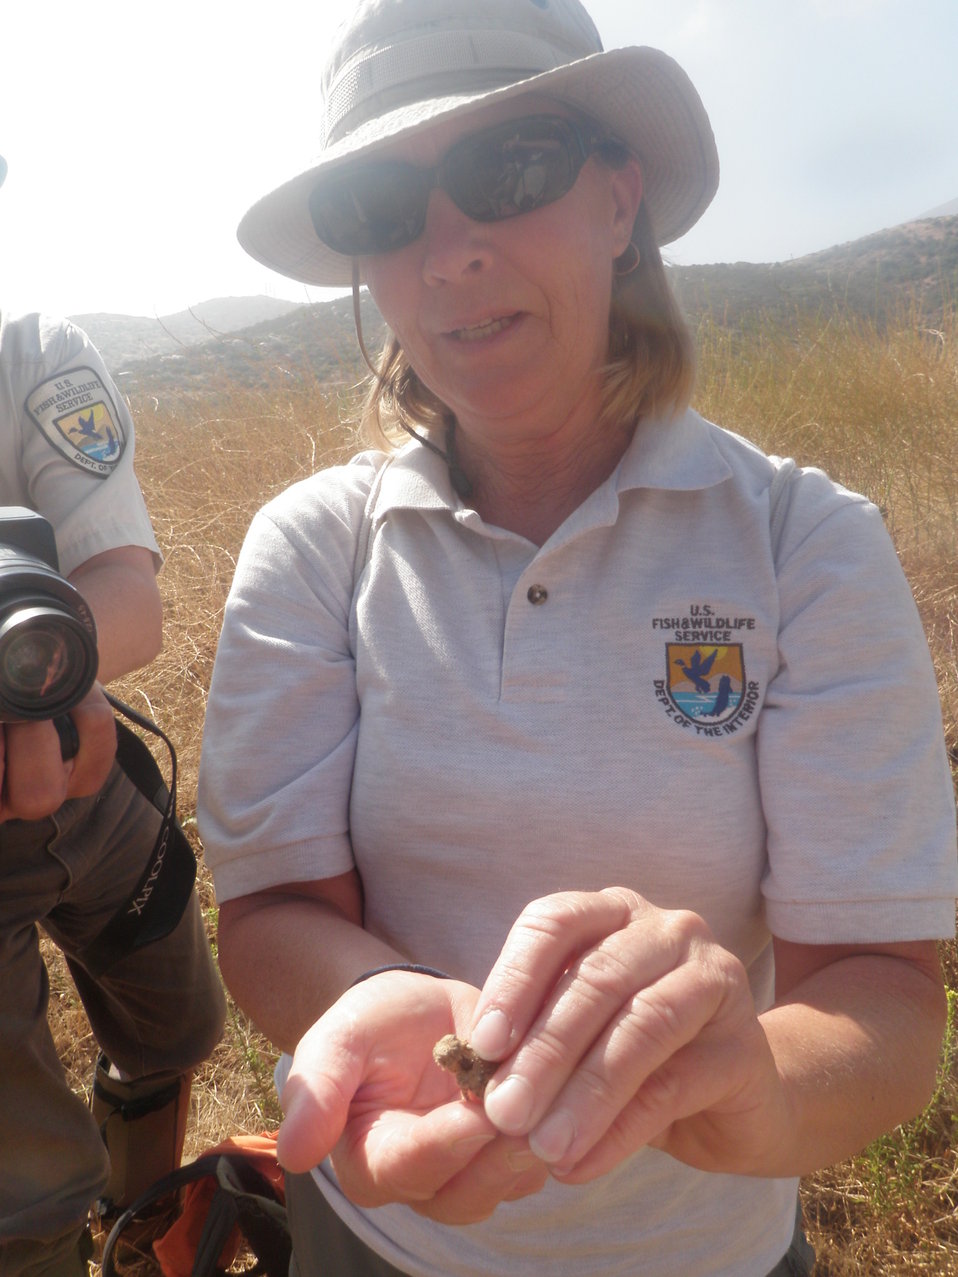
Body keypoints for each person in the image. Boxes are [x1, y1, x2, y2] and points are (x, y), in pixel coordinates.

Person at [196, 1, 958, 1274]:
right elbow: (270, 908)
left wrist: (753, 1086)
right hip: (373, 1229)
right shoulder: (313, 545)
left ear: (621, 202)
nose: (447, 254)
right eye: (384, 209)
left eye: (508, 171)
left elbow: (882, 991)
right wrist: (382, 1009)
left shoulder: (803, 541)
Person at [0, 154, 227, 1277]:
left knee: (178, 1031)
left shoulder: (34, 355)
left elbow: (128, 600)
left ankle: (146, 1241)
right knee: (22, 1196)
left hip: (87, 773)